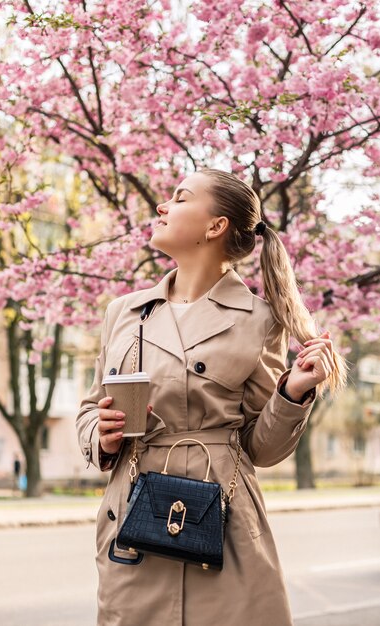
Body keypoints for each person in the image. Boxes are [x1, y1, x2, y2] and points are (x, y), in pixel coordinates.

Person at [76, 168, 347, 626]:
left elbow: (261, 448)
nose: (162, 206)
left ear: (215, 226)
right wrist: (101, 434)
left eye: (180, 198)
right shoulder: (124, 312)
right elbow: (89, 407)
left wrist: (293, 394)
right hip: (133, 523)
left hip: (222, 520)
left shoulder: (261, 320)